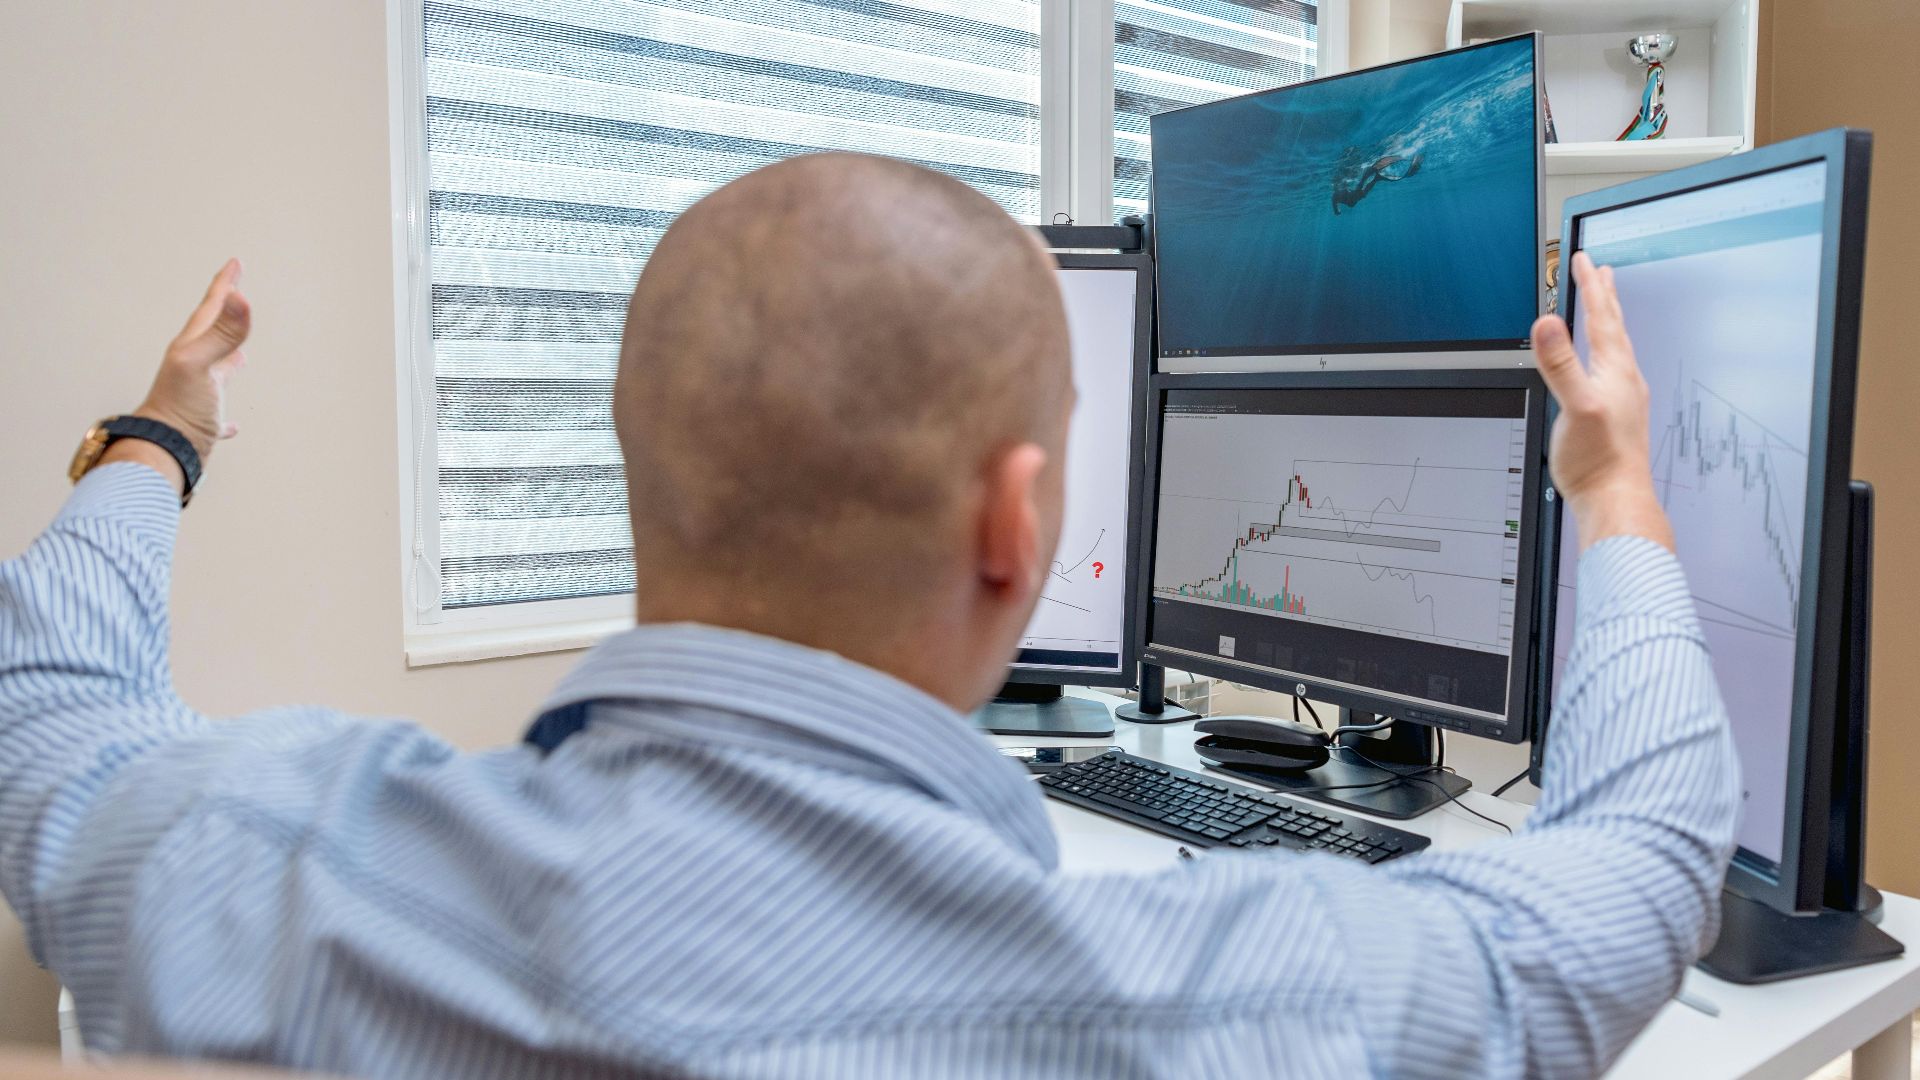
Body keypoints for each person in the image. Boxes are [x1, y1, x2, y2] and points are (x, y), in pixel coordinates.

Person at [0, 153, 1736, 1078]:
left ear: (641, 476)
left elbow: (48, 700)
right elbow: (1644, 860)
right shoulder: (1213, 999)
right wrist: (1613, 488)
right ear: (1014, 523)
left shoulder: (268, 866)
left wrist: (162, 433)